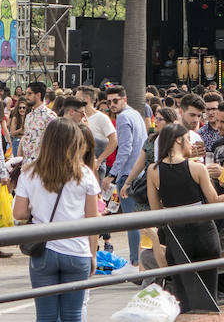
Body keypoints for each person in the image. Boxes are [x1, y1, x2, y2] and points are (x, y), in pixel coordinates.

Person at [146, 122, 224, 312]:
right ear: (179, 140)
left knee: (182, 294)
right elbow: (214, 201)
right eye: (188, 139)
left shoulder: (154, 171)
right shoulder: (197, 169)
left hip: (176, 235)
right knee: (208, 294)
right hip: (204, 232)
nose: (191, 145)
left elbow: (156, 209)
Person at [13, 119, 100, 322]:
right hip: (77, 250)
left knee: (45, 316)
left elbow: (18, 213)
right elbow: (93, 220)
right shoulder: (84, 174)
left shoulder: (30, 172)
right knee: (73, 315)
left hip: (43, 250)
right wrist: (93, 255)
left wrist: (37, 208)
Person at [101, 85, 147, 269]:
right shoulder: (134, 114)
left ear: (124, 99)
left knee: (132, 221)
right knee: (137, 220)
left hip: (128, 174)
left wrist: (112, 174)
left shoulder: (123, 117)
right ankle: (138, 259)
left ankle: (135, 260)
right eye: (109, 102)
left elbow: (125, 149)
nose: (112, 105)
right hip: (139, 173)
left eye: (115, 101)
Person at [121, 107, 178, 202]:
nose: (156, 121)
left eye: (160, 119)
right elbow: (139, 164)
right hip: (148, 185)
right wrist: (127, 183)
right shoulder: (151, 140)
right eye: (156, 118)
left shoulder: (177, 140)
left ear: (170, 122)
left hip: (168, 184)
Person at [76, 86, 117, 171]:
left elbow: (114, 140)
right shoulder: (77, 116)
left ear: (87, 99)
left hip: (95, 167)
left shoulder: (102, 118)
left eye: (78, 98)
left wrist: (100, 160)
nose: (75, 101)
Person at [18, 82, 58, 166]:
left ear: (38, 95)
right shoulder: (28, 116)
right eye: (26, 93)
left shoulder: (50, 116)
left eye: (30, 93)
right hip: (26, 166)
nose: (26, 97)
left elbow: (55, 143)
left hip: (42, 166)